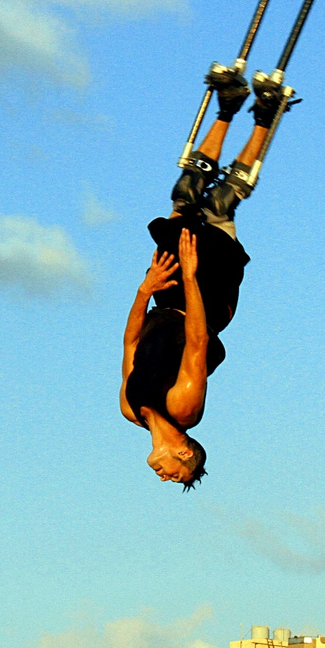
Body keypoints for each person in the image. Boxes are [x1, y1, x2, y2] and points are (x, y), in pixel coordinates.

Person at [119, 74, 289, 490]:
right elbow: (196, 341)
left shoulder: (129, 409)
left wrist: (143, 292)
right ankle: (265, 117)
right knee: (219, 205)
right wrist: (192, 278)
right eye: (177, 474)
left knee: (185, 196)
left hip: (161, 297)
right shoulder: (185, 409)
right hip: (204, 299)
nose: (164, 477)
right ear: (185, 453)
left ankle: (229, 106)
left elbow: (130, 344)